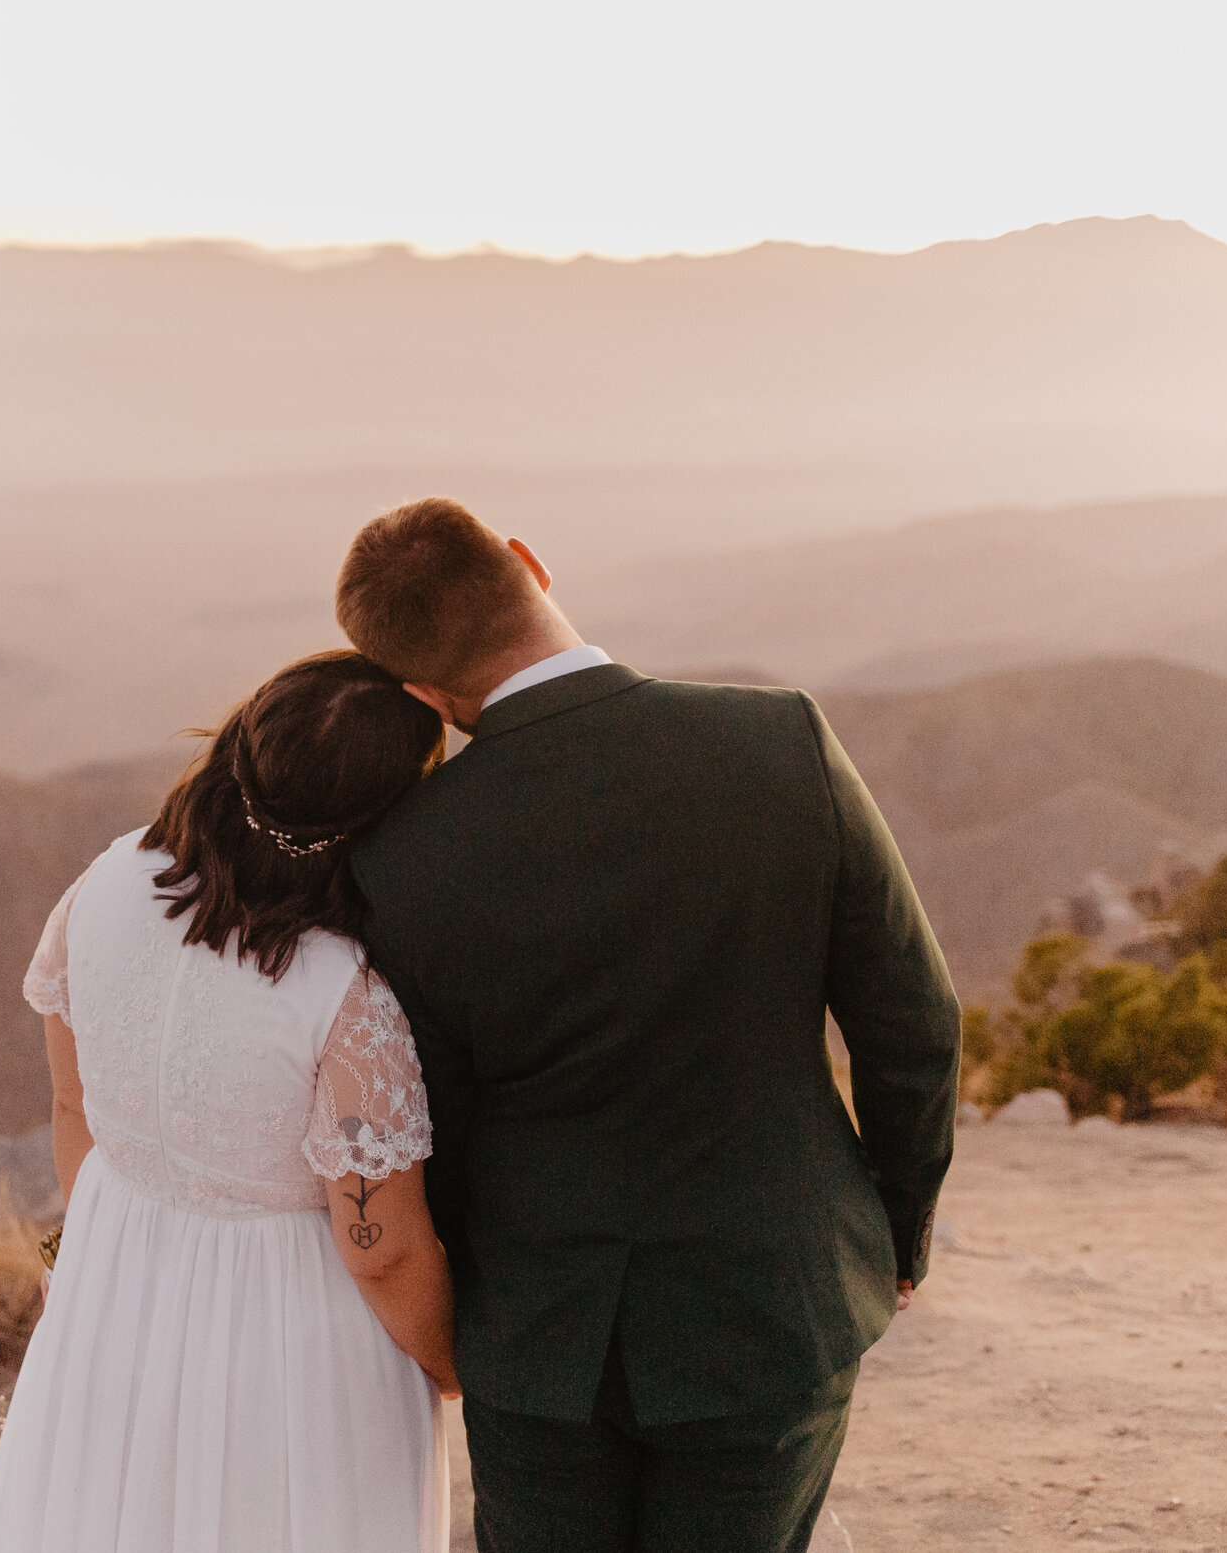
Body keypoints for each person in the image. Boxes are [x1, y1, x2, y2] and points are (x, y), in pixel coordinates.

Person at [337, 498, 962, 1553]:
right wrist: (895, 1228)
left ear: (424, 696)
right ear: (529, 561)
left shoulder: (401, 857)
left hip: (536, 1333)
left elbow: (426, 1119)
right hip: (775, 1295)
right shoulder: (779, 741)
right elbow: (911, 1020)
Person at [0, 650, 459, 1553]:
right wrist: (452, 1364)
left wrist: (124, 1269)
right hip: (293, 1339)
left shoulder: (106, 884)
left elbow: (72, 1106)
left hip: (116, 1273)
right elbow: (379, 1247)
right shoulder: (344, 998)